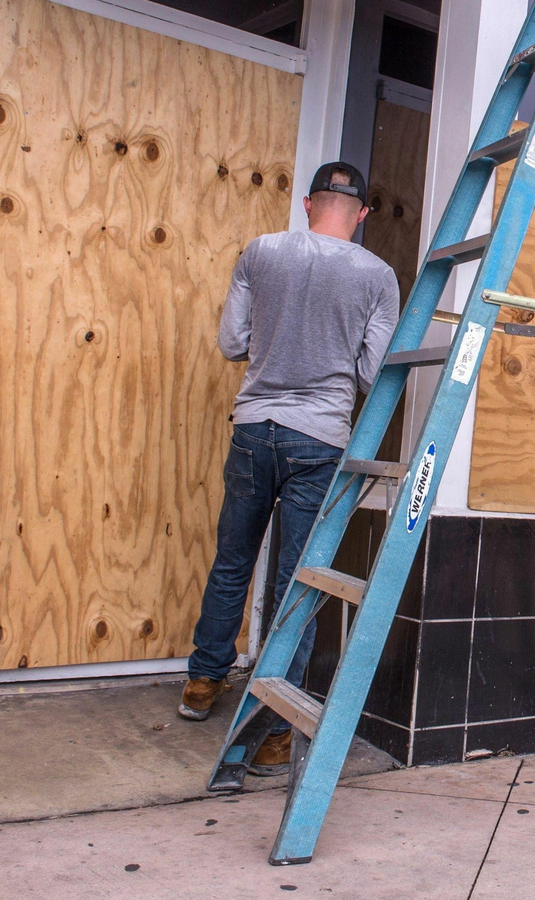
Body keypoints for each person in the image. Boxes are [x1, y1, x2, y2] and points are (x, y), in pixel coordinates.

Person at [178, 161, 399, 776]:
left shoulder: (260, 253)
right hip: (319, 438)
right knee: (297, 582)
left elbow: (230, 342)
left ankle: (202, 684)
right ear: (360, 215)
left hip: (254, 428)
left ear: (308, 203)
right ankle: (276, 729)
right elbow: (370, 374)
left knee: (233, 559)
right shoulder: (377, 276)